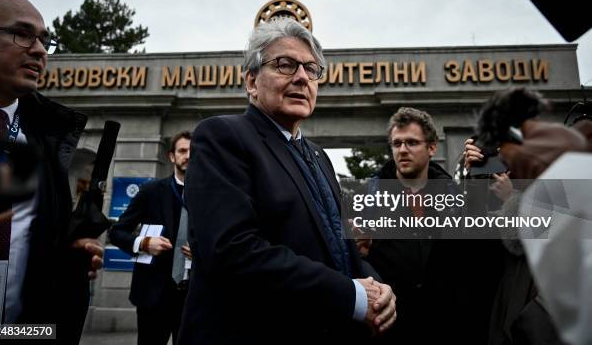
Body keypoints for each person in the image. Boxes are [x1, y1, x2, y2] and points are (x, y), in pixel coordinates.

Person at [178, 18, 396, 344]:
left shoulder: (320, 157)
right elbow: (233, 251)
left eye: (311, 69)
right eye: (285, 64)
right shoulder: (222, 136)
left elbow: (340, 246)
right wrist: (350, 295)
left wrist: (376, 287)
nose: (301, 77)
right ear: (252, 81)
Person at [0, 0, 103, 343]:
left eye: (45, 40)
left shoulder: (45, 138)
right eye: (21, 34)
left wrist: (68, 259)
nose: (39, 50)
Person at [360, 107, 501, 344]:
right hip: (390, 329)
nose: (402, 150)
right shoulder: (367, 200)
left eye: (412, 142)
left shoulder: (455, 197)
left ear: (432, 147)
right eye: (397, 143)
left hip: (446, 326)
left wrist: (478, 179)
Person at [109, 131, 191, 345]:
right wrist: (144, 243)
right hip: (154, 297)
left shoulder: (210, 195)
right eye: (183, 151)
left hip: (194, 298)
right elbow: (117, 232)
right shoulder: (151, 191)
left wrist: (204, 250)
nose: (188, 156)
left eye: (195, 152)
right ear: (172, 156)